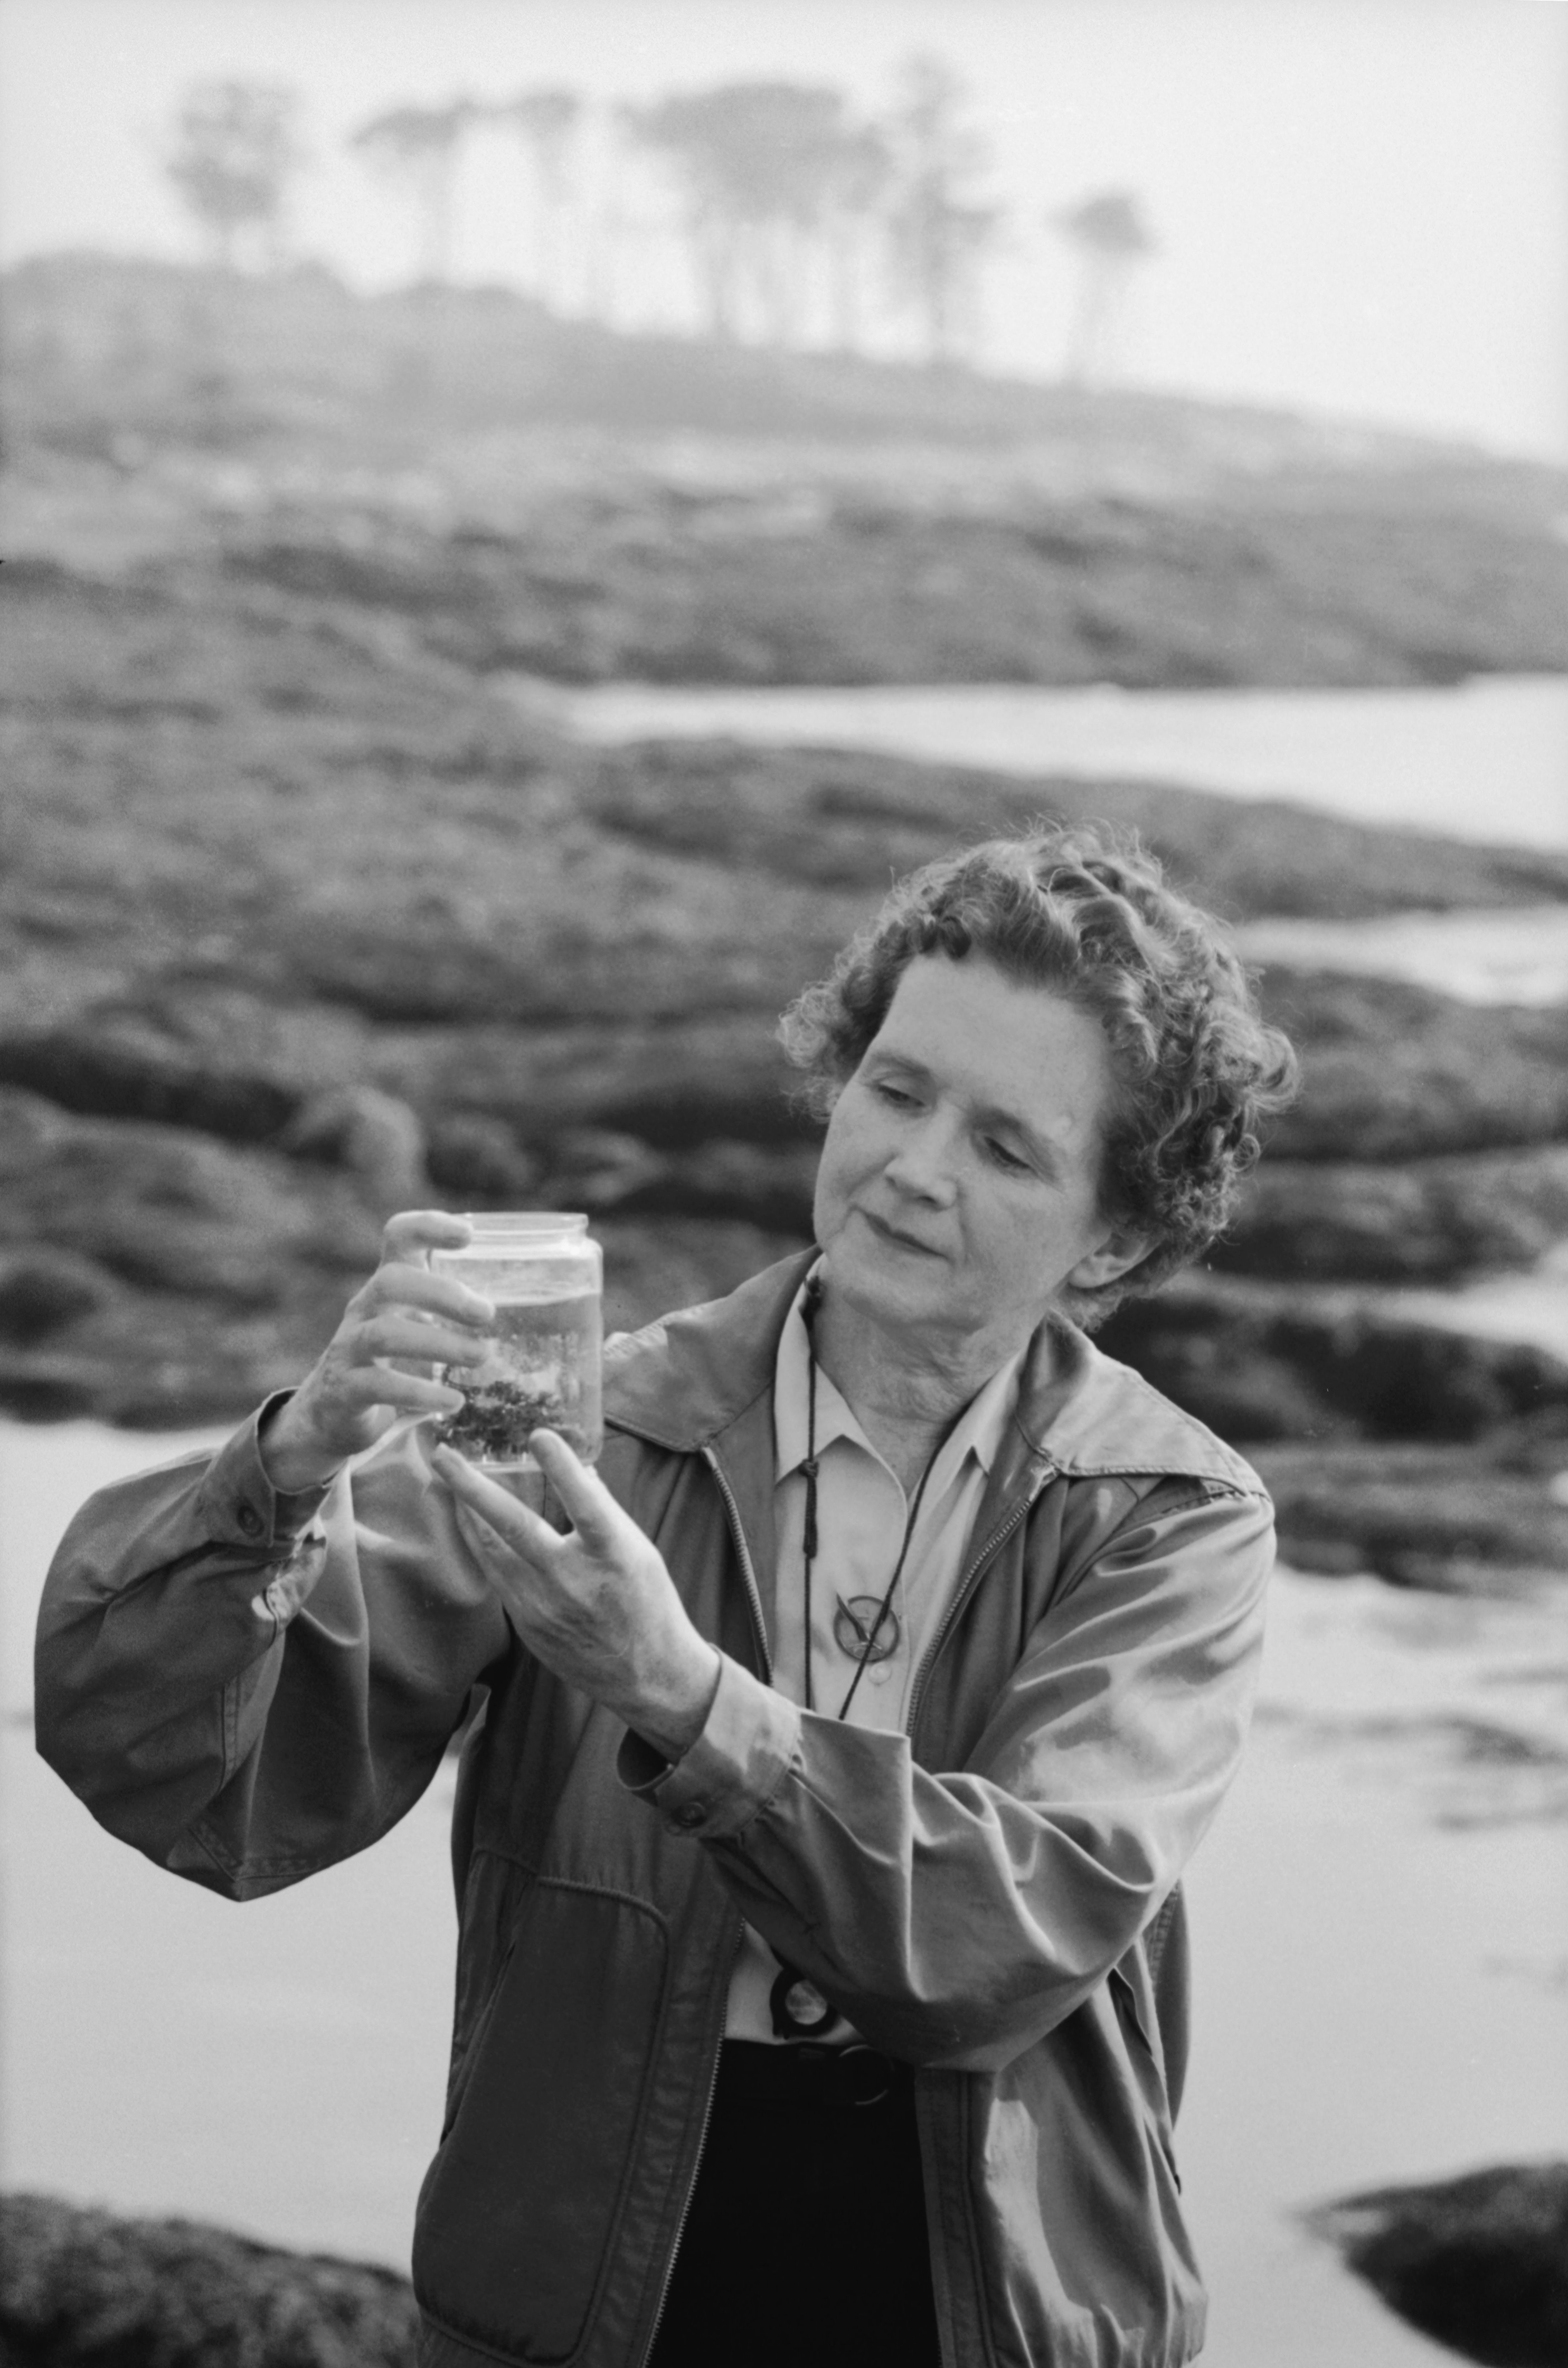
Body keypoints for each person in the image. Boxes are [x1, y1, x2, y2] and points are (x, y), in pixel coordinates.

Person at [36, 823, 1298, 2368]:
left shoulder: (1170, 1518)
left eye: (1003, 1145)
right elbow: (193, 1784)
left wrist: (672, 1693)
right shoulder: (586, 1430)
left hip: (1002, 2312)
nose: (911, 1168)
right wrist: (290, 1464)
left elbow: (1008, 1932)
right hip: (588, 2292)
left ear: (1117, 1227)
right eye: (894, 1091)